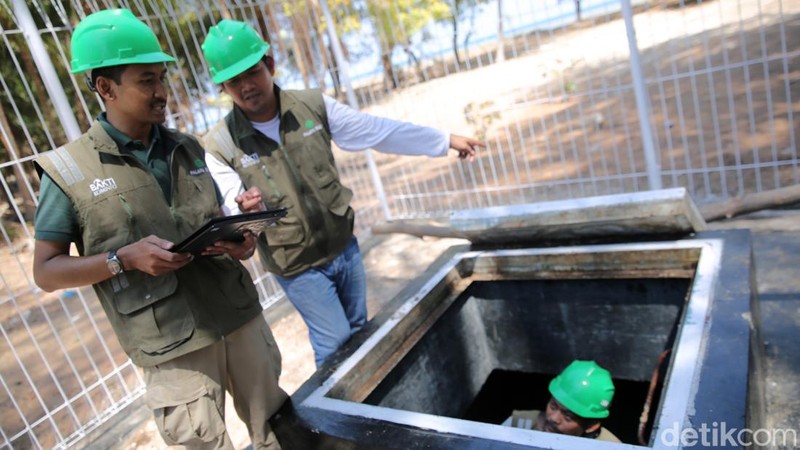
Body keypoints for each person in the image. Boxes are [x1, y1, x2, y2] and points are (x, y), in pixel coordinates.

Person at [32, 9, 285, 449]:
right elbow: (46, 271)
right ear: (105, 87)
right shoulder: (68, 171)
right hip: (172, 345)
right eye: (146, 81)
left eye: (161, 78)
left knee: (280, 432)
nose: (161, 92)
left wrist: (239, 237)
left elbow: (206, 220)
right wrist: (122, 260)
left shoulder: (186, 147)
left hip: (238, 316)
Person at [199, 20, 485, 367]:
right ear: (223, 88)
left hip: (343, 247)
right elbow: (233, 210)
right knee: (335, 344)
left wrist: (444, 141)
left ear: (270, 65)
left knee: (359, 333)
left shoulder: (312, 106)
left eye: (252, 72)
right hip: (298, 266)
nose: (246, 86)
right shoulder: (221, 144)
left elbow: (377, 131)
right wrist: (245, 211)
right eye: (233, 81)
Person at [503, 360, 621, 443]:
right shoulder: (518, 423)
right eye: (553, 406)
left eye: (568, 417)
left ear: (591, 425)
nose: (553, 418)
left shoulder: (610, 446)